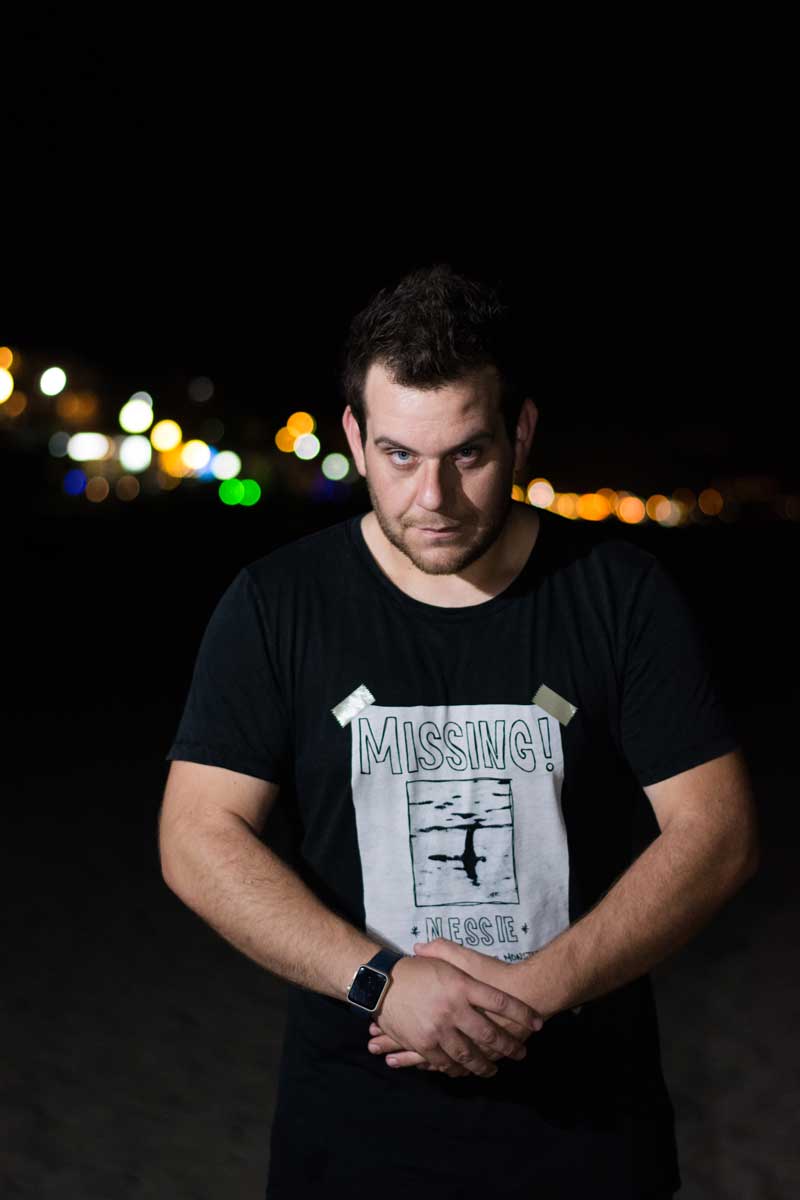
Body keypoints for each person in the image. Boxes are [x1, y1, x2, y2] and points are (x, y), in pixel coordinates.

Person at [158, 263, 760, 1199]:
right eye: (399, 455)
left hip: (588, 1135)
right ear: (355, 437)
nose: (432, 497)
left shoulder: (619, 594)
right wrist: (380, 982)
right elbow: (196, 836)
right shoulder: (278, 604)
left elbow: (718, 833)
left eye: (467, 454)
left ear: (521, 432)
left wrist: (529, 993)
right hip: (353, 1137)